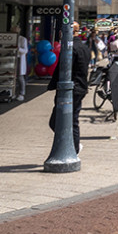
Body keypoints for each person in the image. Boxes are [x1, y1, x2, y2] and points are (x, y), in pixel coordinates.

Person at [48, 22, 92, 153]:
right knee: (70, 120)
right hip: (80, 87)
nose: (60, 34)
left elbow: (65, 69)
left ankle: (74, 147)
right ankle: (73, 145)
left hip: (72, 89)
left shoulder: (70, 48)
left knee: (63, 120)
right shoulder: (84, 47)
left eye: (62, 31)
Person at [14, 26, 29, 102]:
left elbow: (25, 50)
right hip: (12, 58)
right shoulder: (11, 38)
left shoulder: (22, 39)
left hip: (19, 58)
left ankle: (21, 93)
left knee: (20, 77)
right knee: (12, 77)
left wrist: (18, 48)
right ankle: (12, 92)